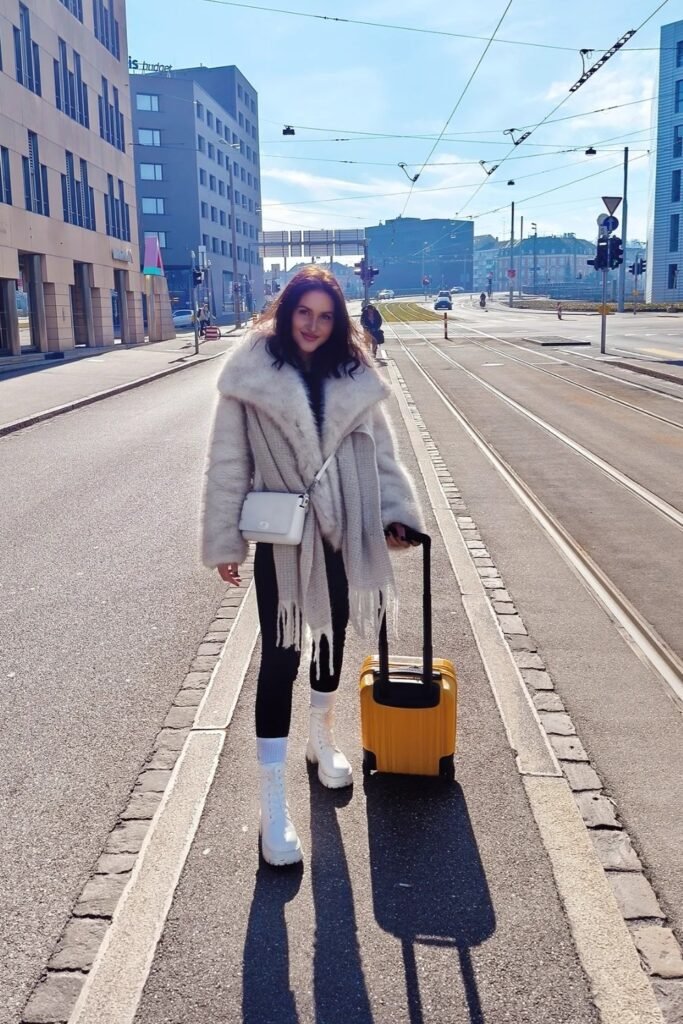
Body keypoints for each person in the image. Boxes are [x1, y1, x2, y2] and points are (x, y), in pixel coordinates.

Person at [201, 265, 424, 867]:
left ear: (338, 321)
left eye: (326, 316)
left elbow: (382, 457)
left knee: (329, 645)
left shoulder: (355, 373)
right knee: (280, 658)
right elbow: (228, 464)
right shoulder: (250, 375)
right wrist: (225, 542)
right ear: (286, 311)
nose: (314, 325)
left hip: (343, 530)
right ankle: (273, 803)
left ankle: (321, 738)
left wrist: (397, 515)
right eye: (305, 312)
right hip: (282, 539)